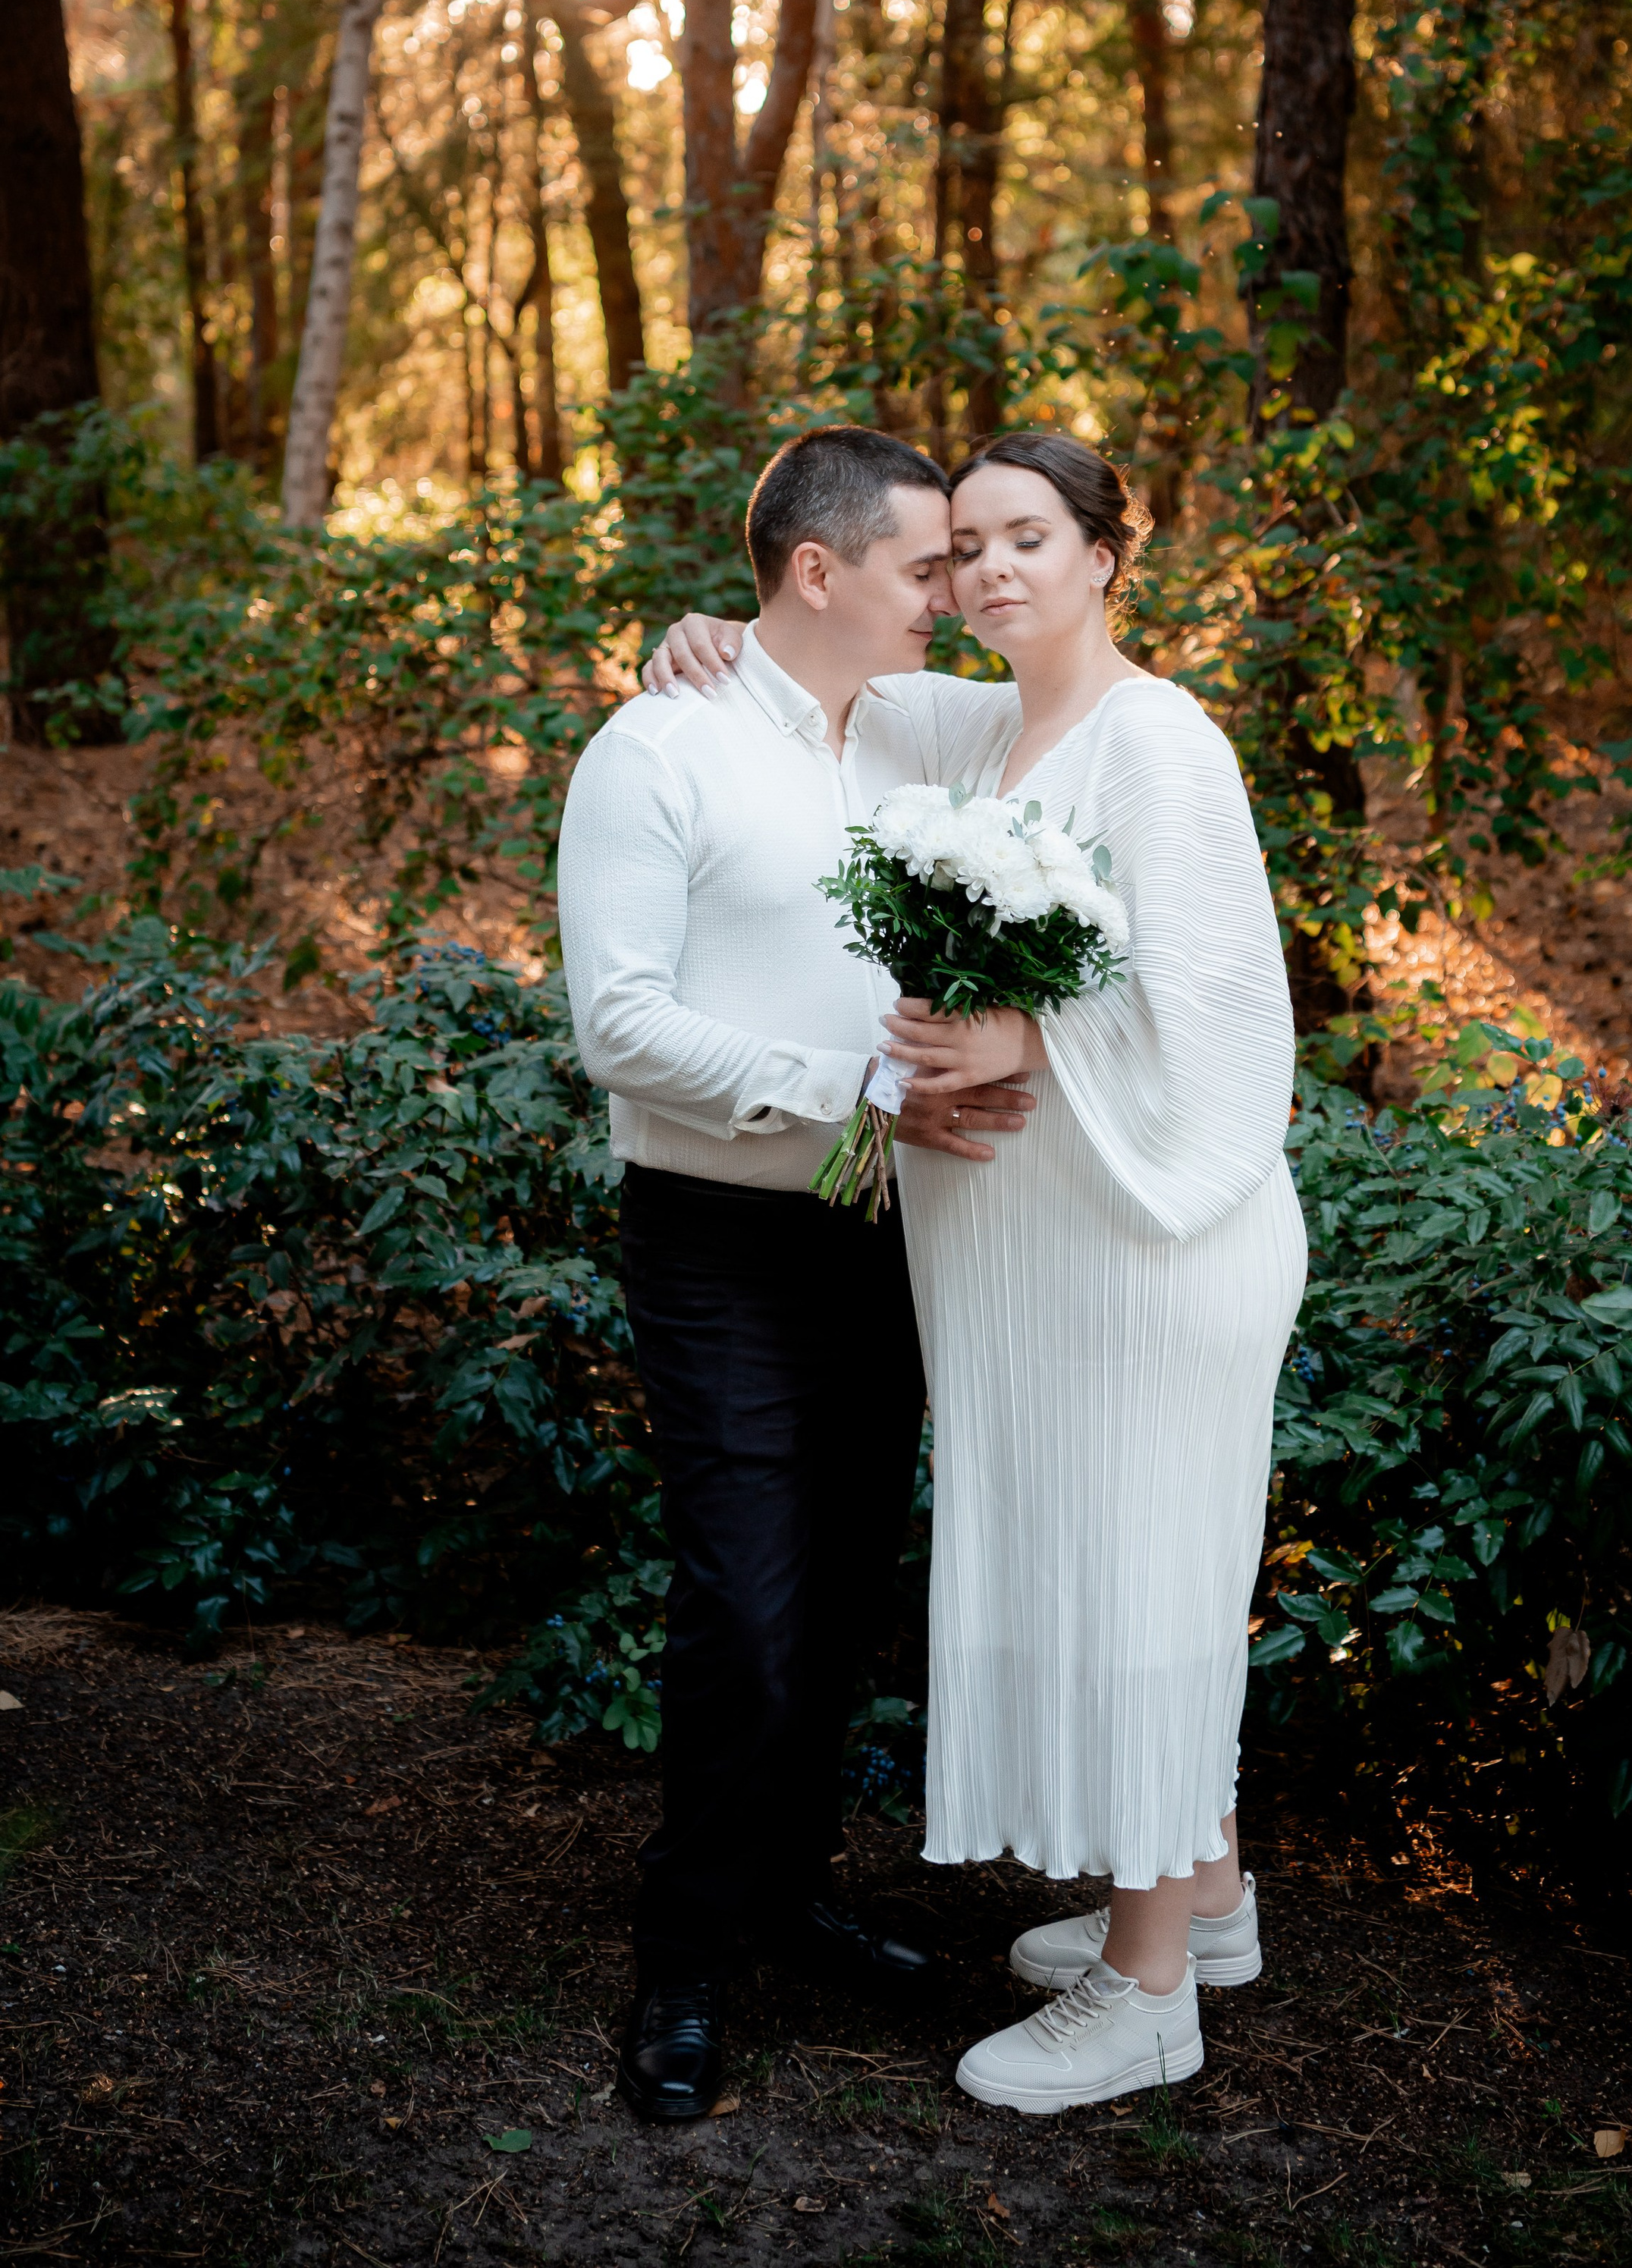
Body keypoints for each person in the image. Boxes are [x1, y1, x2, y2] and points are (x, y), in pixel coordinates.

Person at [646, 430, 1305, 2116]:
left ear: (1107, 552)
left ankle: (1146, 1990)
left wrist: (1025, 1026)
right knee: (1113, 1553)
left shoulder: (1159, 743)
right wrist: (694, 634)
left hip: (1150, 1244)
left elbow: (1225, 1012)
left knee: (1153, 1577)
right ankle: (1202, 1894)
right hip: (1036, 1258)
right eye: (962, 552)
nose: (986, 573)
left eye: (1026, 538)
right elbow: (813, 672)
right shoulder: (989, 720)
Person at [555, 426, 1033, 2127]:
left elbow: (1081, 692)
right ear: (817, 573)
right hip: (721, 1245)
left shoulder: (922, 732)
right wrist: (856, 1093)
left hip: (894, 1235)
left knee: (836, 1601)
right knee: (746, 1616)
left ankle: (786, 1889)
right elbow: (612, 1023)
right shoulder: (654, 747)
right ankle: (681, 1953)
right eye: (926, 566)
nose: (955, 594)